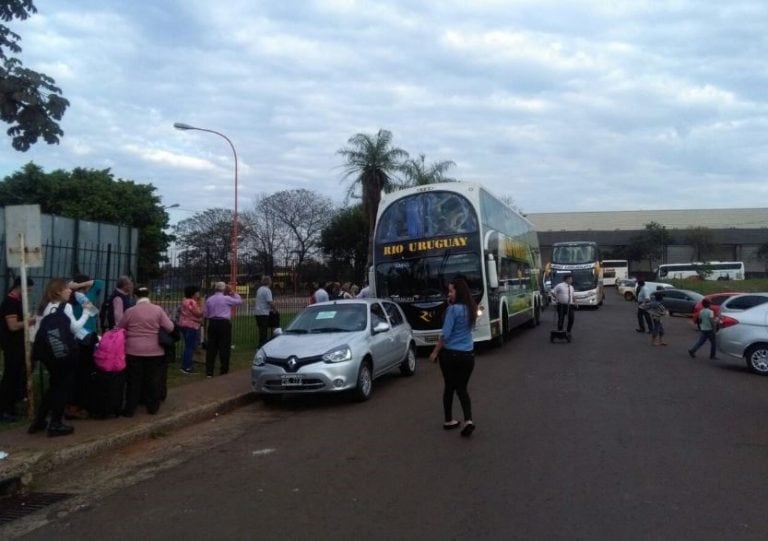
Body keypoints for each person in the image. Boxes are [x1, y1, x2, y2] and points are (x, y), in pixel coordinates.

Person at [28, 278, 89, 436]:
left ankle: (39, 420)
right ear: (58, 292)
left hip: (49, 354)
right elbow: (75, 328)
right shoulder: (65, 306)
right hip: (64, 354)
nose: (70, 291)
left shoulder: (45, 307)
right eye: (67, 289)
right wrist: (86, 313)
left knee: (54, 386)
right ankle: (56, 423)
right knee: (62, 388)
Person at [428, 277, 478, 437]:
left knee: (449, 387)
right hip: (468, 355)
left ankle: (449, 420)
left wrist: (435, 352)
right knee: (462, 388)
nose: (448, 294)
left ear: (458, 291)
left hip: (450, 356)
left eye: (451, 291)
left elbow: (445, 335)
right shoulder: (471, 308)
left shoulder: (452, 310)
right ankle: (468, 419)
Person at [117, 286, 175, 416]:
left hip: (133, 350)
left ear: (135, 296)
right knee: (152, 379)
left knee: (133, 380)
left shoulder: (130, 311)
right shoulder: (158, 310)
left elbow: (120, 326)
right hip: (154, 350)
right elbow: (170, 327)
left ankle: (130, 408)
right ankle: (152, 407)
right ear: (148, 295)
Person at [65, 275, 103, 420]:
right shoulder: (86, 296)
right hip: (86, 339)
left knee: (73, 374)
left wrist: (73, 286)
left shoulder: (69, 298)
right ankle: (78, 405)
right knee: (84, 374)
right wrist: (80, 286)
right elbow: (98, 283)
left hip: (71, 339)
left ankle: (70, 405)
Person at [0, 277, 35, 423]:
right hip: (12, 344)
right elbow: (13, 326)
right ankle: (4, 408)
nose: (28, 293)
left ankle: (11, 405)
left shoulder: (17, 301)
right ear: (20, 286)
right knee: (11, 375)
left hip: (18, 343)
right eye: (28, 289)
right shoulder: (11, 302)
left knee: (17, 374)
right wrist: (28, 322)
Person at [203, 282, 243, 378]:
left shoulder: (209, 299)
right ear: (224, 289)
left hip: (212, 323)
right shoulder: (226, 299)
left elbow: (205, 314)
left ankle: (209, 371)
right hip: (224, 323)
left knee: (211, 347)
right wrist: (232, 292)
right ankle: (224, 369)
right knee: (224, 347)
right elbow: (239, 301)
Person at [178, 285, 204, 374]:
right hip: (191, 325)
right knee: (190, 347)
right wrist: (202, 305)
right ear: (193, 293)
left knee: (188, 345)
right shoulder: (192, 302)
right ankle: (187, 367)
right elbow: (198, 313)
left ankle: (186, 364)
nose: (199, 294)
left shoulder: (184, 300)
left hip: (183, 324)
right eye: (197, 292)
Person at [254, 276, 276, 348]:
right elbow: (270, 301)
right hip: (264, 312)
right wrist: (274, 309)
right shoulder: (267, 290)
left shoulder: (259, 289)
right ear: (269, 282)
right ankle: (263, 345)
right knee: (264, 330)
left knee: (261, 329)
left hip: (257, 312)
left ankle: (261, 343)